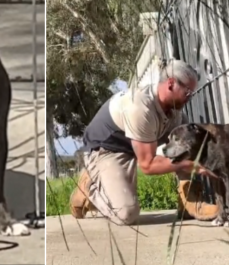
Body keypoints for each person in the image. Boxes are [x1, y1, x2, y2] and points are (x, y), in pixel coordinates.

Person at [70, 59, 219, 225]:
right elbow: (147, 165)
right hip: (106, 147)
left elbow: (187, 150)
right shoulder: (140, 108)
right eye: (188, 92)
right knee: (126, 213)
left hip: (133, 144)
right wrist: (187, 165)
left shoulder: (175, 110)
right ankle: (89, 186)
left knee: (186, 144)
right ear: (171, 84)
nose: (189, 98)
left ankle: (190, 201)